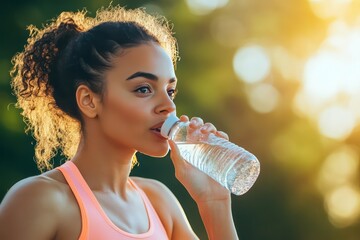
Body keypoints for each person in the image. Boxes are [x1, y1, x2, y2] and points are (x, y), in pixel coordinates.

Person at [0, 5, 239, 240]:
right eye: (144, 89)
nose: (169, 106)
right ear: (89, 101)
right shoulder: (40, 200)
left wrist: (214, 202)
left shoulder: (159, 202)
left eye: (170, 91)